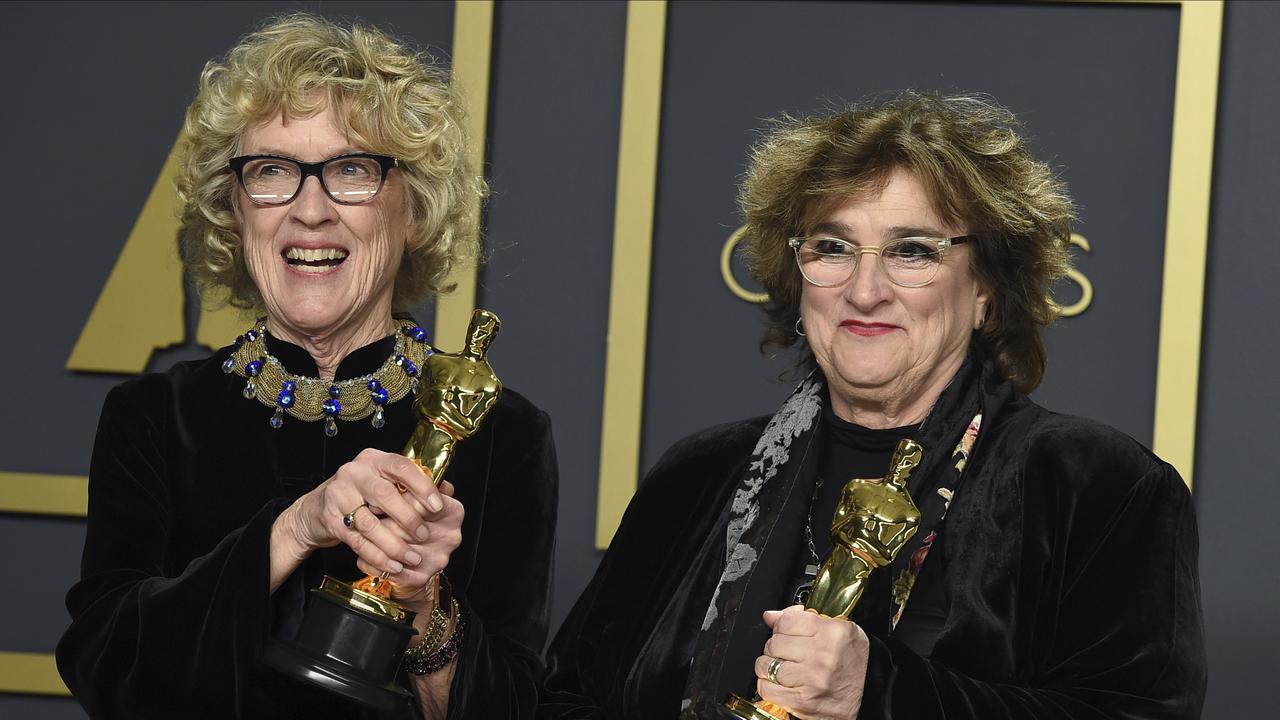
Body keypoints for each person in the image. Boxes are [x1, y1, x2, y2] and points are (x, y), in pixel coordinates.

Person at [539, 92, 1206, 719]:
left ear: (986, 289)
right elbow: (569, 696)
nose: (864, 291)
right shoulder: (698, 475)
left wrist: (881, 692)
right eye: (833, 247)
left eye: (911, 251)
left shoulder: (1098, 488)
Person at [56, 14, 557, 720]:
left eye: (352, 170)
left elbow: (512, 711)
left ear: (412, 206)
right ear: (234, 208)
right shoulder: (155, 418)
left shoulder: (504, 432)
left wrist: (422, 603)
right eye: (272, 172)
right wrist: (295, 528)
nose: (310, 210)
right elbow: (110, 671)